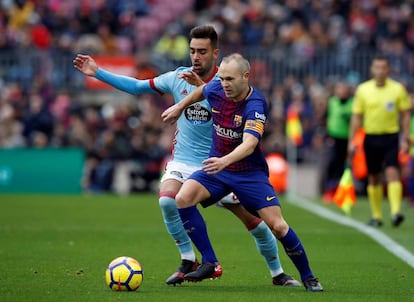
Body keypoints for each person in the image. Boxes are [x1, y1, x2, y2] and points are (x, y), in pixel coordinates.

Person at [73, 25, 300, 287]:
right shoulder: (177, 77)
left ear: (215, 53)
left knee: (256, 223)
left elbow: (231, 112)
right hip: (183, 161)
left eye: (202, 51)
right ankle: (190, 259)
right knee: (168, 200)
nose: (196, 57)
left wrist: (203, 87)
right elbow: (137, 87)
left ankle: (278, 273)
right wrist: (97, 72)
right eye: (192, 51)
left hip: (221, 165)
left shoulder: (228, 82)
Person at [161, 53, 323, 292]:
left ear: (246, 77)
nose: (224, 83)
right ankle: (210, 262)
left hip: (248, 173)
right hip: (219, 168)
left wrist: (224, 161)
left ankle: (309, 277)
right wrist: (179, 106)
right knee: (182, 199)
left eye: (230, 79)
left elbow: (248, 145)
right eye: (222, 78)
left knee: (277, 226)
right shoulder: (217, 88)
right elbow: (202, 92)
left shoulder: (255, 104)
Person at [348, 54, 411, 227]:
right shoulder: (363, 90)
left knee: (392, 172)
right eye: (377, 67)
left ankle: (396, 212)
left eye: (383, 67)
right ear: (371, 69)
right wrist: (352, 140)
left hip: (390, 136)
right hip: (371, 137)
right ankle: (377, 216)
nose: (380, 71)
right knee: (373, 176)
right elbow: (356, 116)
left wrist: (406, 136)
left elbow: (405, 114)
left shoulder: (398, 89)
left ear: (388, 70)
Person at [322, 81, 353, 203]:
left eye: (344, 90)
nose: (342, 92)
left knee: (343, 166)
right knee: (332, 163)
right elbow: (325, 118)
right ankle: (329, 191)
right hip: (333, 138)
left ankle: (340, 192)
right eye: (340, 90)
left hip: (346, 139)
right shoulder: (332, 102)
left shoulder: (352, 103)